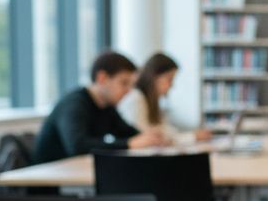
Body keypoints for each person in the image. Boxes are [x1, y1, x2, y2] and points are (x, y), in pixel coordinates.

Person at [33, 51, 168, 163]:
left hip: (75, 176)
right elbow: (78, 146)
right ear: (102, 78)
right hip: (49, 185)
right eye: (124, 83)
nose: (128, 91)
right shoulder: (74, 103)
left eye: (130, 85)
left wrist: (150, 138)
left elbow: (129, 133)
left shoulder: (107, 107)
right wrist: (129, 144)